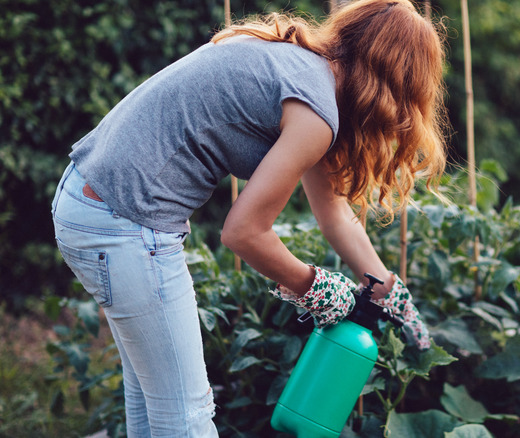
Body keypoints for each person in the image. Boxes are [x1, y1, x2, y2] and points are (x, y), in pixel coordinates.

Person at [50, 0, 448, 436]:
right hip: (124, 223)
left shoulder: (303, 72)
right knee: (187, 416)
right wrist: (317, 288)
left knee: (155, 406)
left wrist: (385, 287)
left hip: (89, 202)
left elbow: (333, 211)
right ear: (398, 87)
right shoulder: (315, 110)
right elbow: (243, 233)